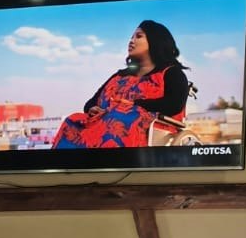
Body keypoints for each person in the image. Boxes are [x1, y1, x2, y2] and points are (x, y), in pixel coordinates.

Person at [52, 20, 192, 150]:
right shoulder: (119, 76)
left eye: (138, 36)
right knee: (73, 120)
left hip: (151, 129)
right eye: (131, 37)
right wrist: (92, 109)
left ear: (156, 41)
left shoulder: (171, 73)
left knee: (120, 119)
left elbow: (174, 105)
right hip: (103, 123)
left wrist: (133, 106)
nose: (131, 41)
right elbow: (90, 103)